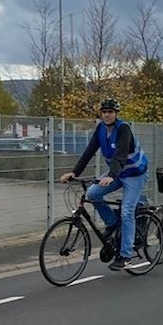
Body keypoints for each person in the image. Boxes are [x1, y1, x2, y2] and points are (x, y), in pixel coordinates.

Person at [61, 97, 149, 270]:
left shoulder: (124, 129)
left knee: (126, 211)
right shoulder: (100, 129)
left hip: (134, 173)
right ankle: (112, 223)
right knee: (93, 194)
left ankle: (126, 256)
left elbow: (121, 154)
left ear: (116, 114)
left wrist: (111, 175)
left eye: (110, 112)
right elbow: (89, 151)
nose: (107, 115)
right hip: (116, 172)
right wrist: (74, 172)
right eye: (104, 112)